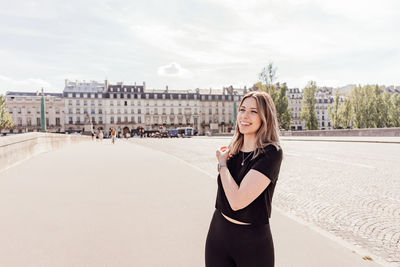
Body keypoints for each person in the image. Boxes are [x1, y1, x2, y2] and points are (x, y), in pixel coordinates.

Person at [205, 91, 283, 267]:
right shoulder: (232, 150)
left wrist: (222, 164)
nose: (245, 116)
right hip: (218, 234)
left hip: (252, 242)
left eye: (253, 111)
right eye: (242, 109)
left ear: (265, 117)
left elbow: (237, 201)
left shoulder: (271, 153)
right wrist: (225, 160)